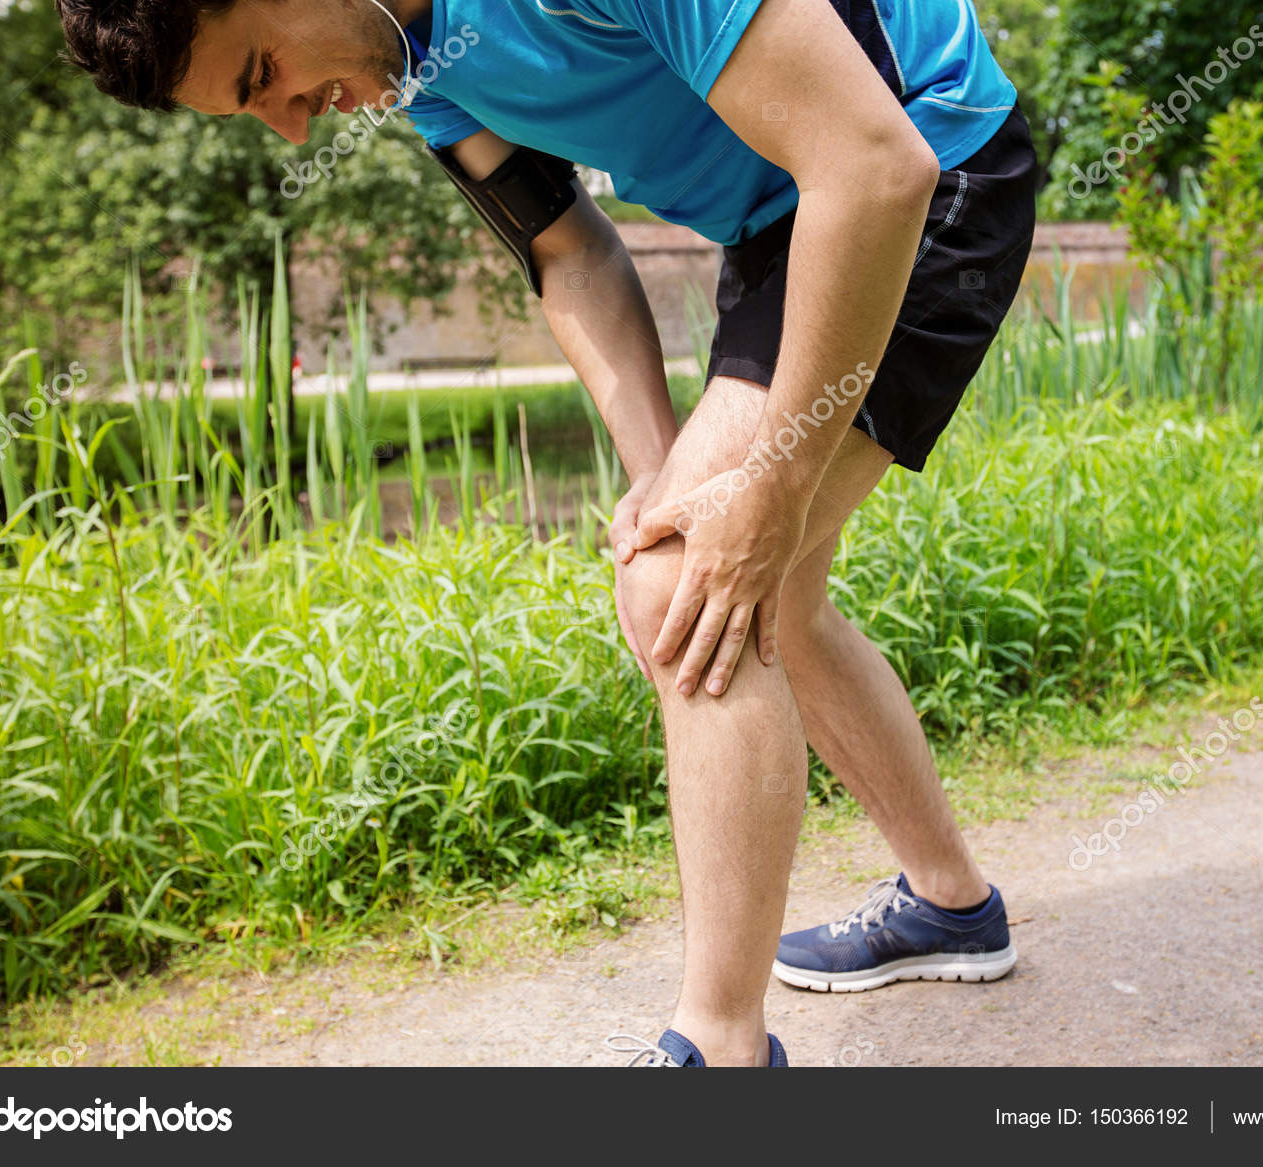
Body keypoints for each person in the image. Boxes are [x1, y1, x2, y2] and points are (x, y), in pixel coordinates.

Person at [56, 0, 1037, 1067]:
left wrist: (768, 491)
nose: (295, 128)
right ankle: (950, 906)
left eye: (263, 73)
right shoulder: (421, 62)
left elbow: (872, 163)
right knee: (759, 596)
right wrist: (660, 470)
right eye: (252, 113)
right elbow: (568, 252)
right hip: (785, 213)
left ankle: (721, 1049)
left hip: (923, 164)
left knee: (686, 589)